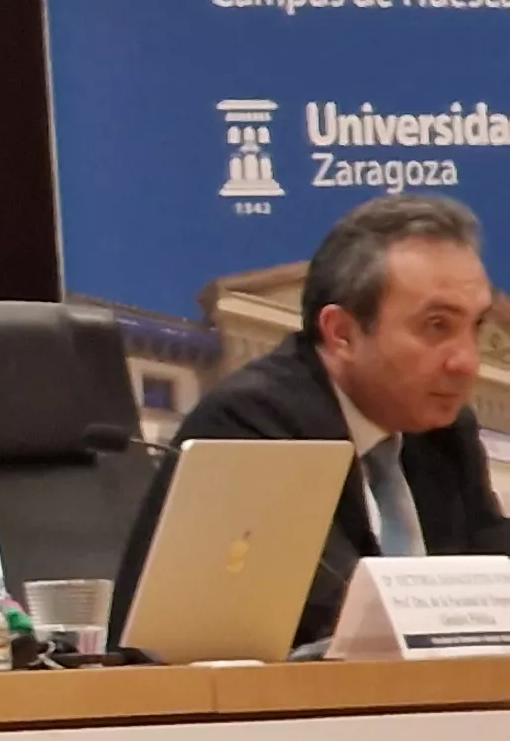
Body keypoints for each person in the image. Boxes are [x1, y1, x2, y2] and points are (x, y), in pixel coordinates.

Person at [113, 193, 509, 647]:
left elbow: (491, 570)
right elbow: (339, 619)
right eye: (437, 326)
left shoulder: (442, 432)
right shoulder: (253, 424)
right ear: (341, 333)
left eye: (475, 327)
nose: (467, 362)